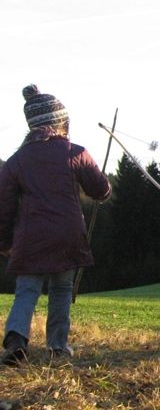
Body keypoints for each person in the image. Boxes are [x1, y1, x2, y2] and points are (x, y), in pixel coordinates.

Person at [0, 85, 112, 366]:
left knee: (27, 290)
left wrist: (4, 243)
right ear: (61, 122)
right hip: (68, 235)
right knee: (61, 290)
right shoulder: (76, 152)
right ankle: (57, 347)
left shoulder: (16, 162)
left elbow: (4, 208)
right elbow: (100, 190)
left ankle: (16, 341)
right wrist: (105, 188)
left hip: (30, 238)